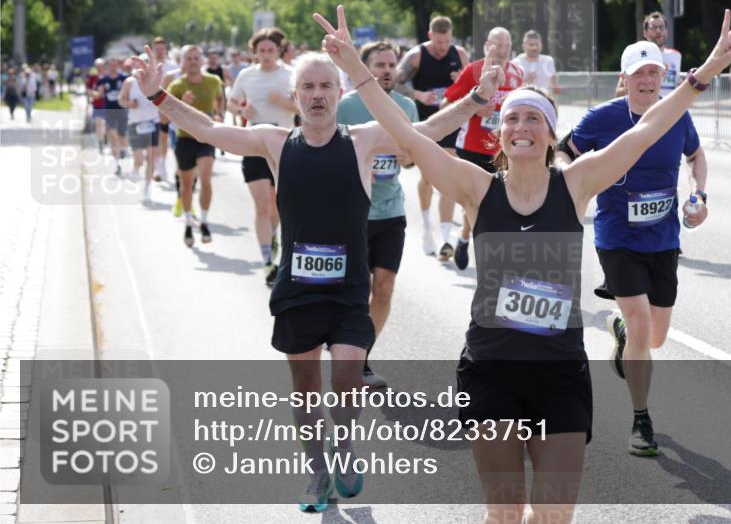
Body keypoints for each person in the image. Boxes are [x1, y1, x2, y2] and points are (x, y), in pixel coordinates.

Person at [316, 4, 731, 524]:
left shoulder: (577, 182)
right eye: (512, 117)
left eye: (534, 118)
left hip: (560, 373)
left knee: (552, 516)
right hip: (491, 369)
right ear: (499, 134)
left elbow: (648, 129)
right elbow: (407, 138)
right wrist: (355, 72)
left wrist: (706, 73)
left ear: (549, 133)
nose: (522, 125)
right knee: (504, 514)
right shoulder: (476, 188)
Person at [131, 39, 503, 512]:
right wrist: (157, 95)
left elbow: (425, 129)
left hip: (349, 292)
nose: (317, 94)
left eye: (327, 85)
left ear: (340, 88)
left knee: (346, 380)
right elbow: (207, 127)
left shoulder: (364, 138)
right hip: (298, 291)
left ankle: (344, 447)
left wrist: (476, 99)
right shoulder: (273, 142)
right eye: (307, 87)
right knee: (306, 393)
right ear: (295, 95)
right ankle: (316, 471)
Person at [557, 38, 710, 457]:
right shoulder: (603, 118)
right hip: (618, 238)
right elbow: (562, 153)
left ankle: (622, 333)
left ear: (664, 77)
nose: (646, 80)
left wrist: (700, 196)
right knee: (644, 326)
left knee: (655, 337)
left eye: (653, 73)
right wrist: (577, 185)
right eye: (638, 74)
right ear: (624, 80)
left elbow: (696, 156)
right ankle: (641, 419)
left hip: (663, 239)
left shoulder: (676, 115)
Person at [337, 39, 506, 387]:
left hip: (390, 212)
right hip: (351, 216)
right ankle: (345, 352)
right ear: (364, 67)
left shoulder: (405, 107)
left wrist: (408, 158)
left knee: (383, 288)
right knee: (354, 291)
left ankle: (362, 359)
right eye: (378, 64)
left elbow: (417, 151)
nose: (385, 70)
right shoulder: (344, 107)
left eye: (390, 65)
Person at [442, 26, 524, 270]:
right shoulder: (474, 70)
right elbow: (447, 102)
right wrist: (474, 107)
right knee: (474, 201)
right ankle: (466, 237)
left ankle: (483, 246)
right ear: (488, 45)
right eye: (497, 45)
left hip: (503, 147)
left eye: (507, 45)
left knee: (501, 201)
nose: (502, 50)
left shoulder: (518, 73)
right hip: (472, 146)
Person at [395, 15, 471, 258]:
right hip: (423, 122)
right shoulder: (416, 56)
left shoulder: (459, 54)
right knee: (428, 177)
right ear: (430, 36)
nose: (442, 47)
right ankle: (428, 227)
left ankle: (446, 237)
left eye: (446, 42)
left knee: (447, 172)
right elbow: (395, 83)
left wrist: (461, 81)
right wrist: (418, 94)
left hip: (449, 121)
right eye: (438, 42)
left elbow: (475, 85)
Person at [227, 28, 296, 286]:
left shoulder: (290, 75)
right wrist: (242, 108)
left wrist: (283, 102)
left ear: (278, 51)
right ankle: (267, 260)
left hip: (284, 145)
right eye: (261, 51)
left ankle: (274, 235)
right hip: (254, 145)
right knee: (262, 205)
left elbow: (304, 106)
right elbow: (231, 103)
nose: (266, 55)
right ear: (254, 52)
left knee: (278, 204)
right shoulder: (246, 75)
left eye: (271, 50)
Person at [167, 45, 224, 247]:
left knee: (206, 180)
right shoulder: (177, 86)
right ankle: (189, 223)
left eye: (196, 58)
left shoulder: (213, 81)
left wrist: (219, 114)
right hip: (185, 139)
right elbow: (165, 118)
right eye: (188, 58)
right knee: (187, 185)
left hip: (207, 138)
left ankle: (205, 221)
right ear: (182, 62)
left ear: (202, 61)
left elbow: (219, 98)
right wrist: (182, 103)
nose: (193, 61)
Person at [614, 12, 683, 98]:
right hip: (645, 109)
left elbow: (675, 85)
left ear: (666, 31)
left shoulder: (676, 55)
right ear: (645, 33)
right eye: (653, 27)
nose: (658, 31)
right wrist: (643, 88)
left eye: (661, 27)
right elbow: (618, 93)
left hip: (668, 109)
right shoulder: (635, 54)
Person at [118, 68, 160, 201]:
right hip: (135, 123)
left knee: (151, 157)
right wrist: (129, 104)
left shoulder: (156, 81)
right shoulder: (129, 82)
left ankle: (147, 187)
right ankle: (135, 170)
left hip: (153, 123)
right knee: (139, 160)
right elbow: (121, 100)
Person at [151, 37, 180, 182]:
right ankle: (161, 168)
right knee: (159, 140)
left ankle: (175, 168)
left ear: (165, 50)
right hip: (152, 109)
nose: (160, 52)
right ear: (153, 50)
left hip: (169, 108)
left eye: (162, 49)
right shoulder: (149, 67)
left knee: (170, 139)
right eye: (157, 49)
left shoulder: (173, 66)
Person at [96, 57, 129, 173]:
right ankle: (117, 163)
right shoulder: (103, 79)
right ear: (107, 67)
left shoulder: (124, 78)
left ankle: (122, 152)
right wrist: (92, 93)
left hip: (122, 111)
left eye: (115, 65)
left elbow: (130, 92)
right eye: (110, 65)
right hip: (109, 111)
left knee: (121, 137)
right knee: (113, 137)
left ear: (118, 66)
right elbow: (99, 94)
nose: (113, 67)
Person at [512, 30, 560, 97]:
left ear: (541, 45)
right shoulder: (516, 62)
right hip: (523, 101)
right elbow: (512, 89)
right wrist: (526, 82)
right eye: (531, 45)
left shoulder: (548, 61)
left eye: (537, 44)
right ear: (523, 46)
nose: (534, 48)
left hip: (544, 102)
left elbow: (554, 86)